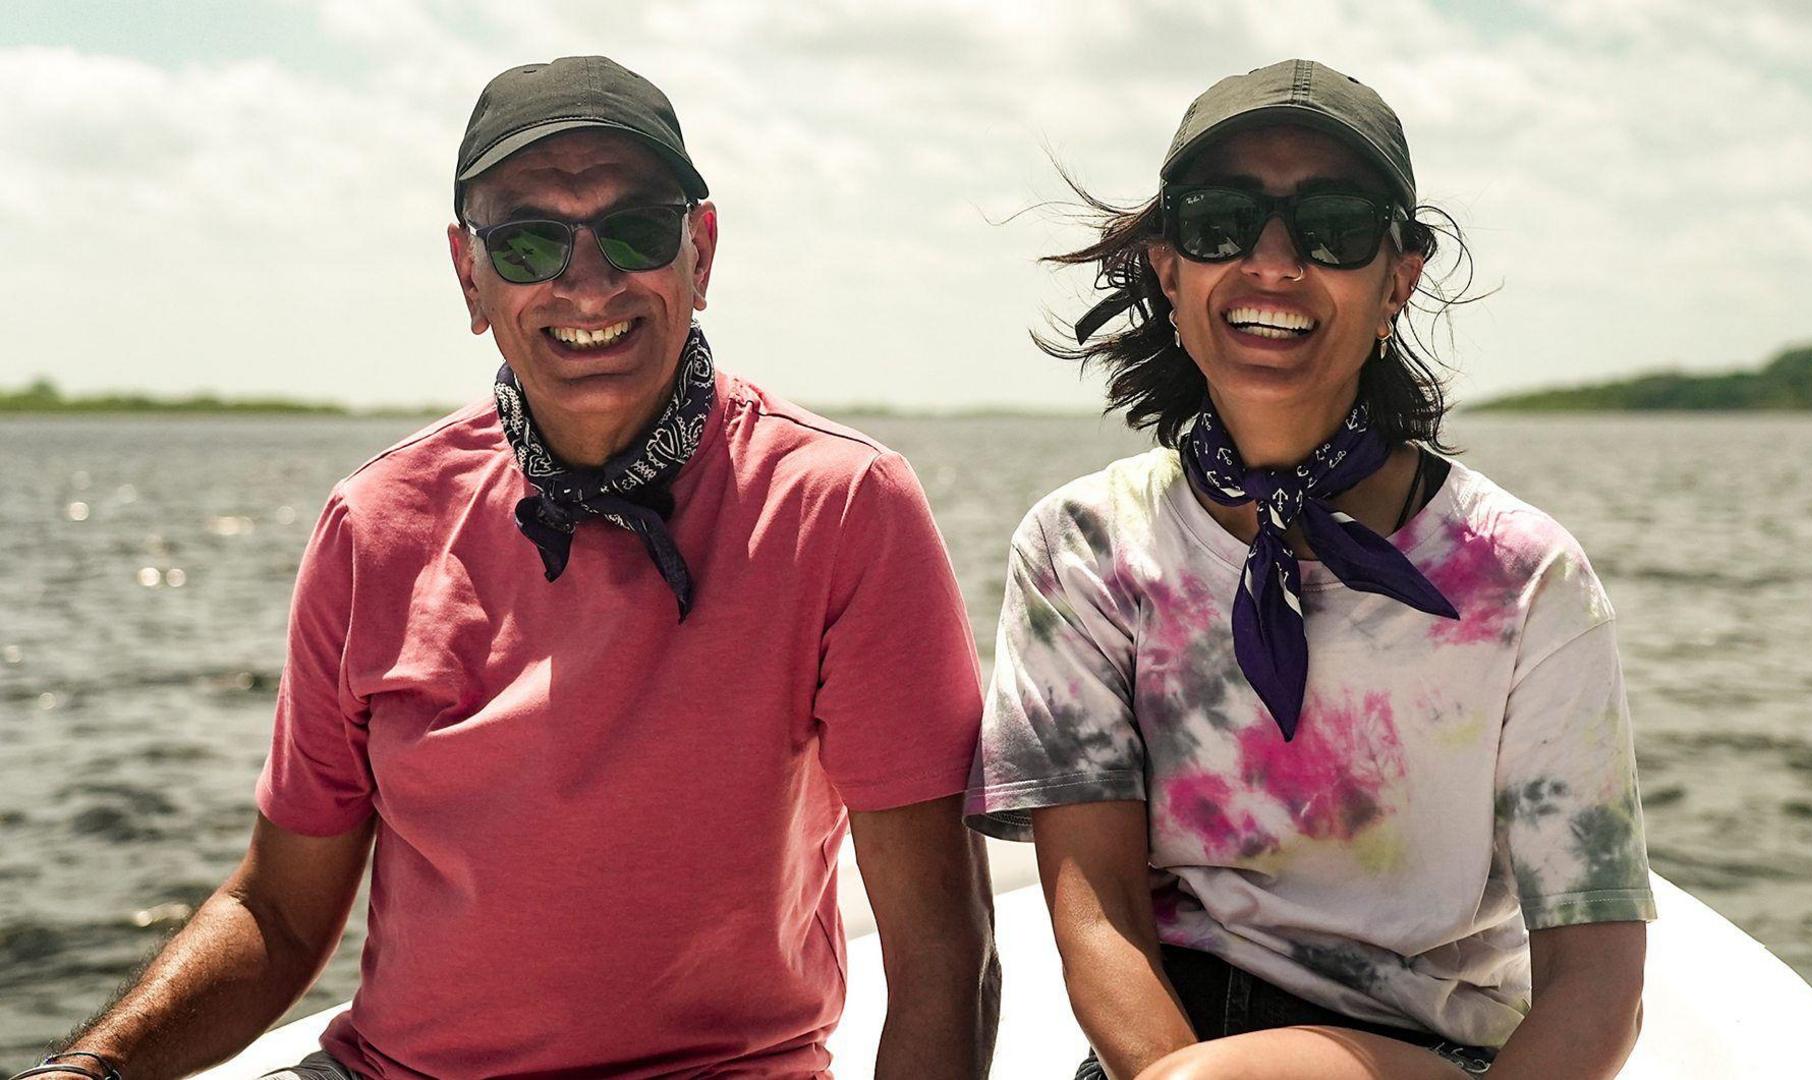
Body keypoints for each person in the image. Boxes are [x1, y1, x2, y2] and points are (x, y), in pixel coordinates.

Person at [22, 56, 998, 1080]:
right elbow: (277, 908)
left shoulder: (843, 506)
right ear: (469, 276)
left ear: (699, 254)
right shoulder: (373, 522)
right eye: (529, 239)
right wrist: (89, 1069)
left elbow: (946, 952)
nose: (586, 281)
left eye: (635, 229)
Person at [966, 60, 1653, 1079]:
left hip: (1436, 1052)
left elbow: (1599, 981)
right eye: (1220, 221)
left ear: (1399, 278)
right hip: (1168, 1056)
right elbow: (1097, 910)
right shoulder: (1084, 549)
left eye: (1332, 225)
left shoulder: (1524, 576)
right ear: (1168, 267)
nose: (1275, 262)